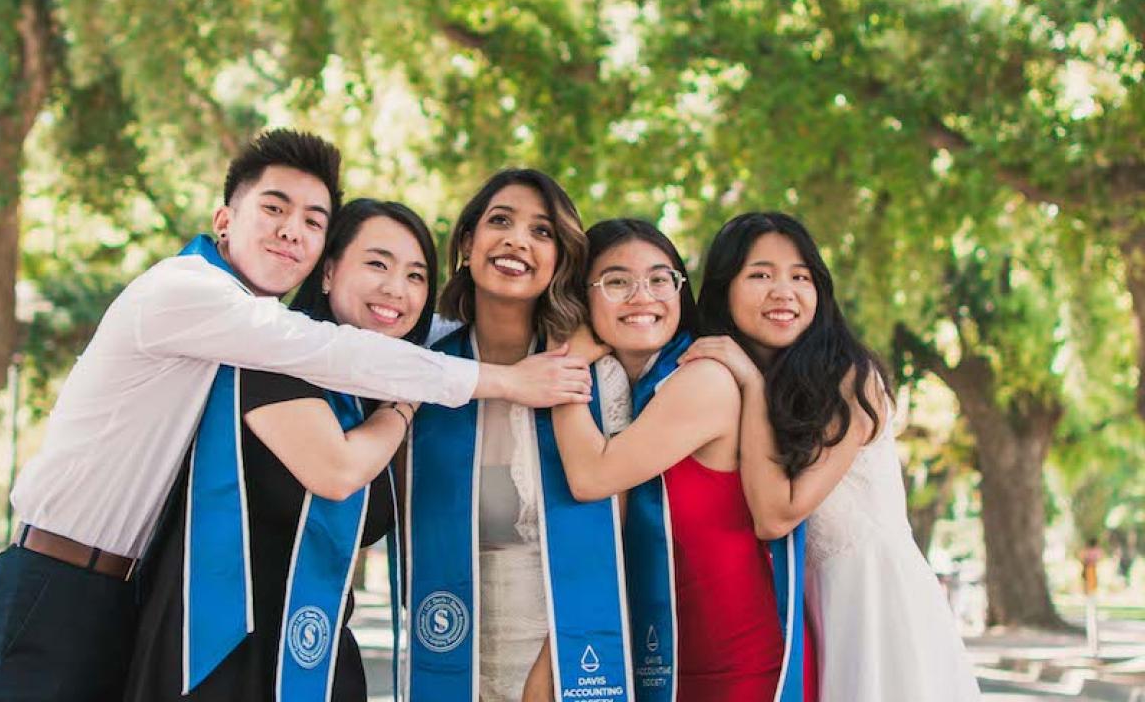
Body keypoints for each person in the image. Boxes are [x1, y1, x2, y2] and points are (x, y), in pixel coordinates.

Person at [0, 130, 591, 701]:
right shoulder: (196, 296)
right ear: (225, 219)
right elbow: (335, 377)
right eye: (274, 209)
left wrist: (602, 339)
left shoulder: (320, 359)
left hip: (135, 597)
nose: (292, 230)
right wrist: (475, 387)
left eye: (313, 220)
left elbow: (419, 339)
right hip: (60, 584)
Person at [123, 199, 436, 700]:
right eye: (377, 264)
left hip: (320, 655)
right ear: (327, 272)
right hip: (219, 654)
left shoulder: (372, 398)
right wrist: (403, 406)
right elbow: (337, 472)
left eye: (416, 275)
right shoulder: (268, 354)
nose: (397, 289)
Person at [680, 211, 980, 701]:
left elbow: (777, 514)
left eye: (801, 277)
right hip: (813, 615)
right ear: (722, 289)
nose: (784, 292)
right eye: (761, 275)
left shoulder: (850, 380)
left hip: (879, 609)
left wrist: (752, 385)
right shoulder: (742, 383)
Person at [550, 218, 815, 701]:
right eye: (617, 282)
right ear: (581, 298)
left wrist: (563, 362)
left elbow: (590, 477)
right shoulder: (617, 393)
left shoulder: (702, 378)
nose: (642, 296)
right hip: (669, 659)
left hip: (742, 667)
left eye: (660, 279)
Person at [403, 170, 635, 702]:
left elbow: (609, 548)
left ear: (560, 260)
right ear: (467, 243)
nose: (517, 241)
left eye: (541, 231)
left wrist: (550, 673)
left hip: (563, 657)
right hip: (448, 652)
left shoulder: (595, 378)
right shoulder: (425, 375)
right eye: (500, 221)